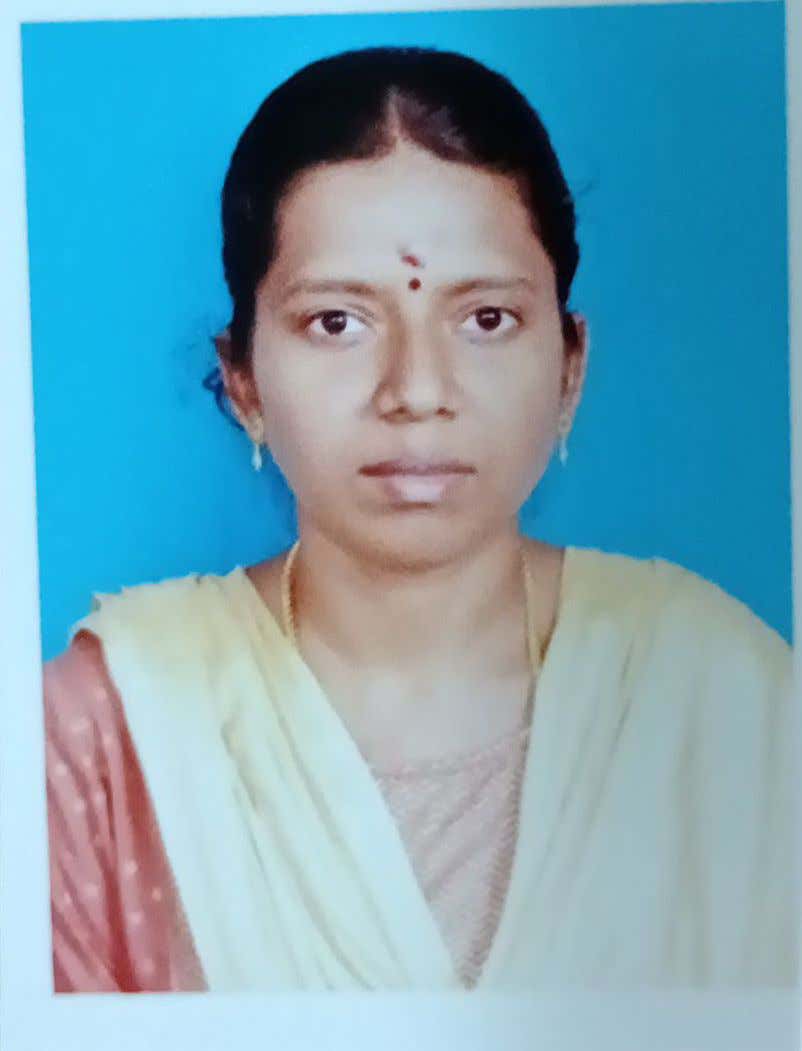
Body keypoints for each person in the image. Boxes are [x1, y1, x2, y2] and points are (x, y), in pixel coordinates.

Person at [43, 46, 796, 994]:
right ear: (243, 380)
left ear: (571, 367)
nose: (417, 390)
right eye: (336, 322)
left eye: (485, 319)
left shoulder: (724, 699)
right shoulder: (103, 734)